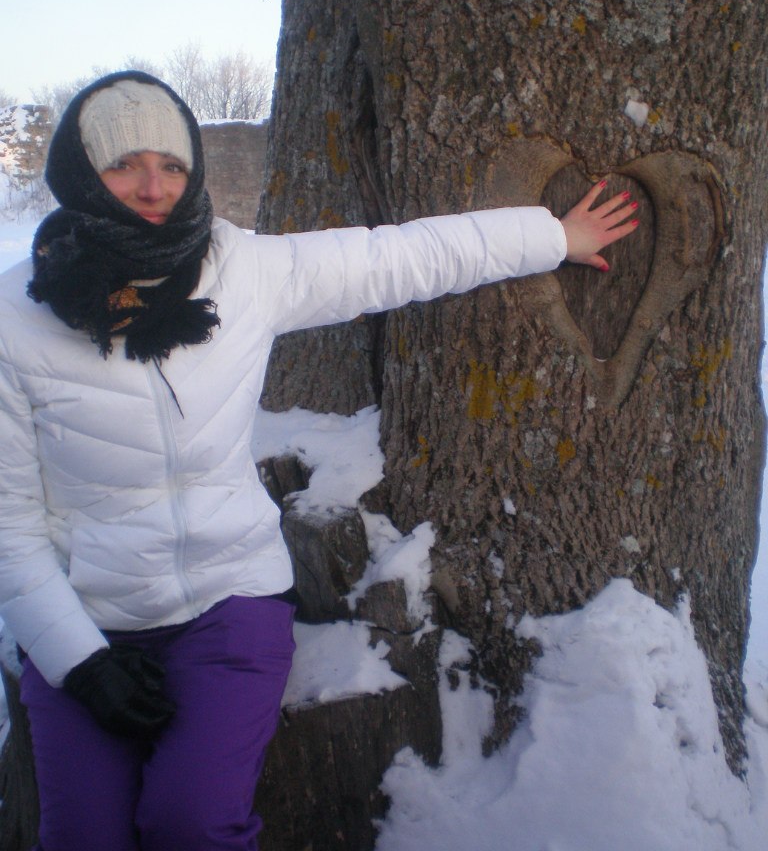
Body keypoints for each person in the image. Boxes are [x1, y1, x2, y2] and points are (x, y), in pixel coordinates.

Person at [0, 71, 638, 851]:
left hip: (229, 602)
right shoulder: (15, 323)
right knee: (83, 839)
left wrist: (554, 236)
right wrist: (80, 662)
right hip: (88, 614)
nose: (152, 185)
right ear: (78, 175)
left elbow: (397, 259)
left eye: (171, 164)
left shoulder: (244, 273)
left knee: (193, 824)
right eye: (123, 163)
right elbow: (10, 529)